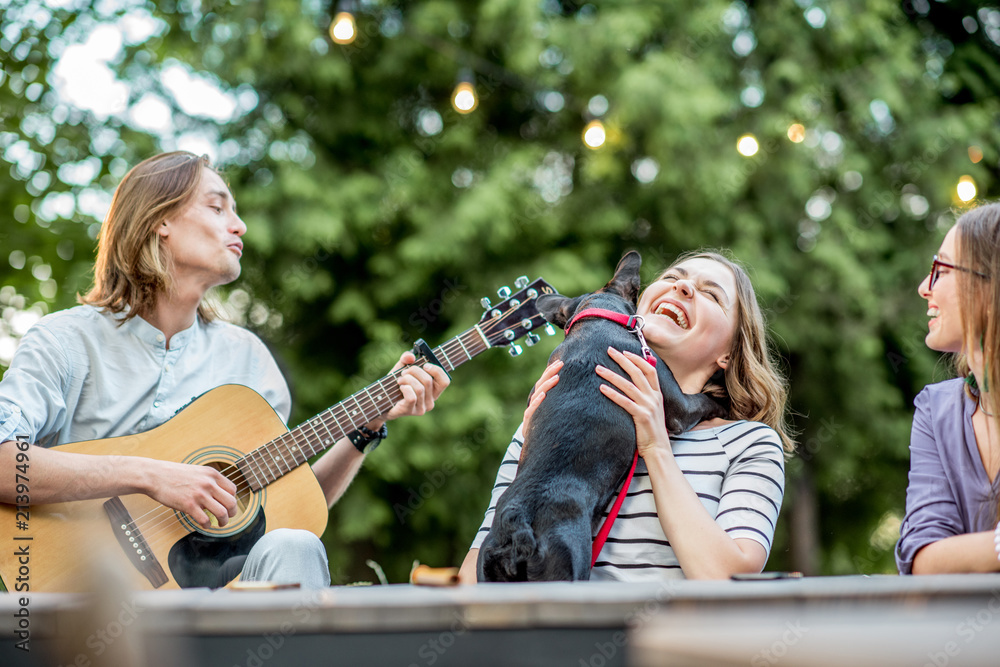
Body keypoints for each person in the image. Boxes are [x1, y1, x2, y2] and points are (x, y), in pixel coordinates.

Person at [0, 151, 450, 589]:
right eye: (217, 207)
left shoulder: (248, 359)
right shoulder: (63, 341)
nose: (240, 225)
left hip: (218, 609)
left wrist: (364, 427)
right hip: (84, 600)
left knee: (296, 545)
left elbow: (289, 503)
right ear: (160, 221)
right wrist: (150, 475)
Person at [459, 250, 795, 582]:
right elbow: (475, 586)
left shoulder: (749, 443)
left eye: (710, 294)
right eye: (671, 278)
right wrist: (537, 451)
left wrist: (657, 448)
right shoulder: (537, 423)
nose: (682, 288)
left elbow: (727, 582)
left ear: (729, 353)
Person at [896, 202, 1000, 575]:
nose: (925, 287)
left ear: (989, 283)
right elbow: (923, 557)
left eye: (940, 269)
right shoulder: (936, 409)